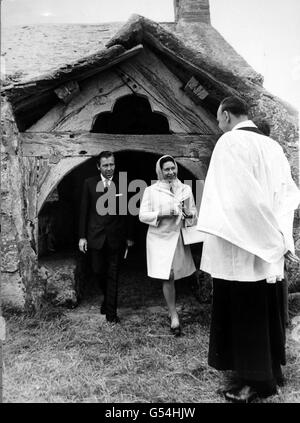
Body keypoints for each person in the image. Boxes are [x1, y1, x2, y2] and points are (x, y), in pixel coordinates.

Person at [197, 96, 300, 402]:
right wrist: (278, 237)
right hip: (268, 243)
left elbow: (236, 199)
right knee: (265, 310)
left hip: (242, 247)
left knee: (246, 313)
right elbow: (288, 196)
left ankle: (256, 383)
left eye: (218, 120)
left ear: (227, 115)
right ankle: (268, 372)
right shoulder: (273, 146)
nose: (218, 125)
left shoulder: (230, 143)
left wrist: (260, 238)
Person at [139, 155, 197, 336]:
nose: (171, 172)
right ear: (160, 171)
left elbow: (193, 213)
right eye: (167, 169)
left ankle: (173, 311)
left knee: (175, 274)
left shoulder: (185, 189)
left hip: (177, 237)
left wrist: (189, 215)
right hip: (160, 238)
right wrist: (162, 213)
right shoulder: (151, 191)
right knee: (168, 275)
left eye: (173, 168)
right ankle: (173, 315)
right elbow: (143, 215)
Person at [78, 151, 134, 323]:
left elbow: (128, 213)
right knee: (97, 271)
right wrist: (82, 237)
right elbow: (84, 211)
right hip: (95, 236)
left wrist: (129, 236)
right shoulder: (89, 183)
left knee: (113, 275)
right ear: (98, 166)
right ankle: (106, 298)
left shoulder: (122, 184)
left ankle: (112, 314)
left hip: (115, 237)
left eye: (112, 164)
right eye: (106, 165)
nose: (109, 168)